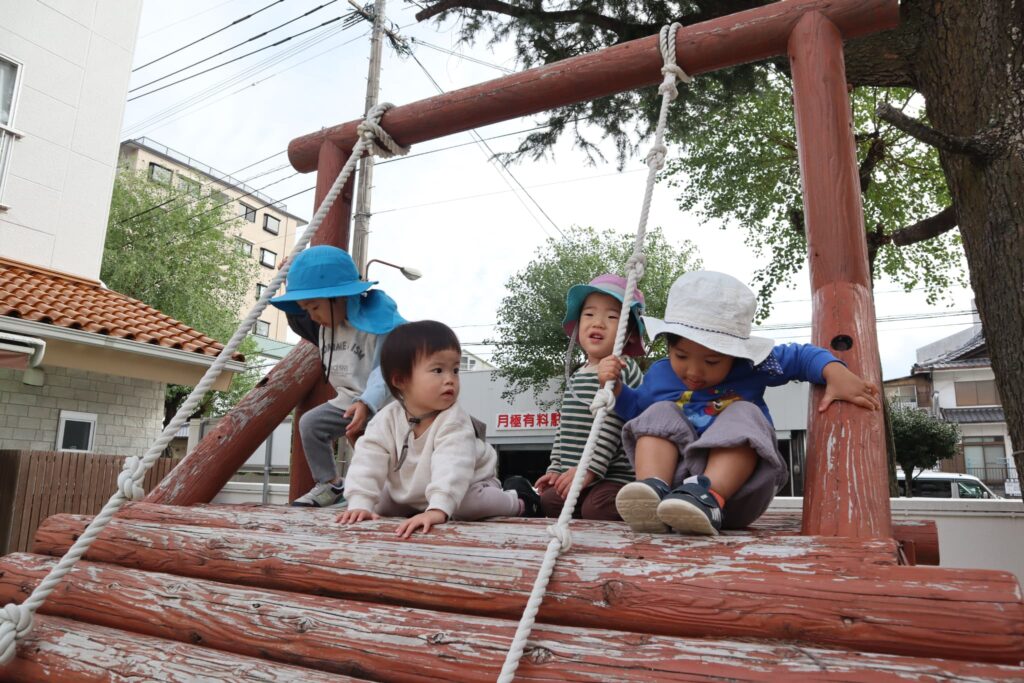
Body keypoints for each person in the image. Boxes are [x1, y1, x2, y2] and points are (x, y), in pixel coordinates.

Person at [599, 271, 880, 535]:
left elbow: (801, 357)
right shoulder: (660, 375)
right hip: (673, 495)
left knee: (744, 411)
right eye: (681, 356)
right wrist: (615, 388)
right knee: (659, 412)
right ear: (669, 347)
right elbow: (637, 413)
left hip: (734, 494)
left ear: (734, 354)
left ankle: (707, 497)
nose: (694, 372)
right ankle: (652, 492)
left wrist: (834, 371)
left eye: (712, 361)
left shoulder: (753, 366)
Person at [338, 320, 542, 538]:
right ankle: (429, 504)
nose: (450, 380)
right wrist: (360, 503)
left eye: (455, 370)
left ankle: (520, 499)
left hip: (469, 482)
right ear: (400, 380)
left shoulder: (454, 420)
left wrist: (438, 509)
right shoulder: (385, 420)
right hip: (413, 489)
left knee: (466, 507)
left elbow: (452, 465)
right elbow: (368, 460)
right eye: (438, 370)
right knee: (381, 504)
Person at [270, 245, 405, 507]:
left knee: (380, 450)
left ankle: (389, 489)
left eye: (314, 307)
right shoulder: (324, 325)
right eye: (306, 308)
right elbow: (297, 319)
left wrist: (366, 403)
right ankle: (331, 484)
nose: (312, 316)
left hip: (387, 405)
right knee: (311, 424)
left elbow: (386, 370)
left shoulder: (378, 325)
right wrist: (291, 279)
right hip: (348, 403)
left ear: (339, 296)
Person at [534, 274, 645, 520]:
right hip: (578, 475)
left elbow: (612, 424)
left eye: (612, 317)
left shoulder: (623, 367)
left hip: (615, 477)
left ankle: (642, 508)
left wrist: (589, 470)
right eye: (589, 314)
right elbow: (563, 428)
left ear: (630, 333)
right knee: (549, 500)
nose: (598, 323)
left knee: (597, 507)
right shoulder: (576, 376)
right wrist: (555, 468)